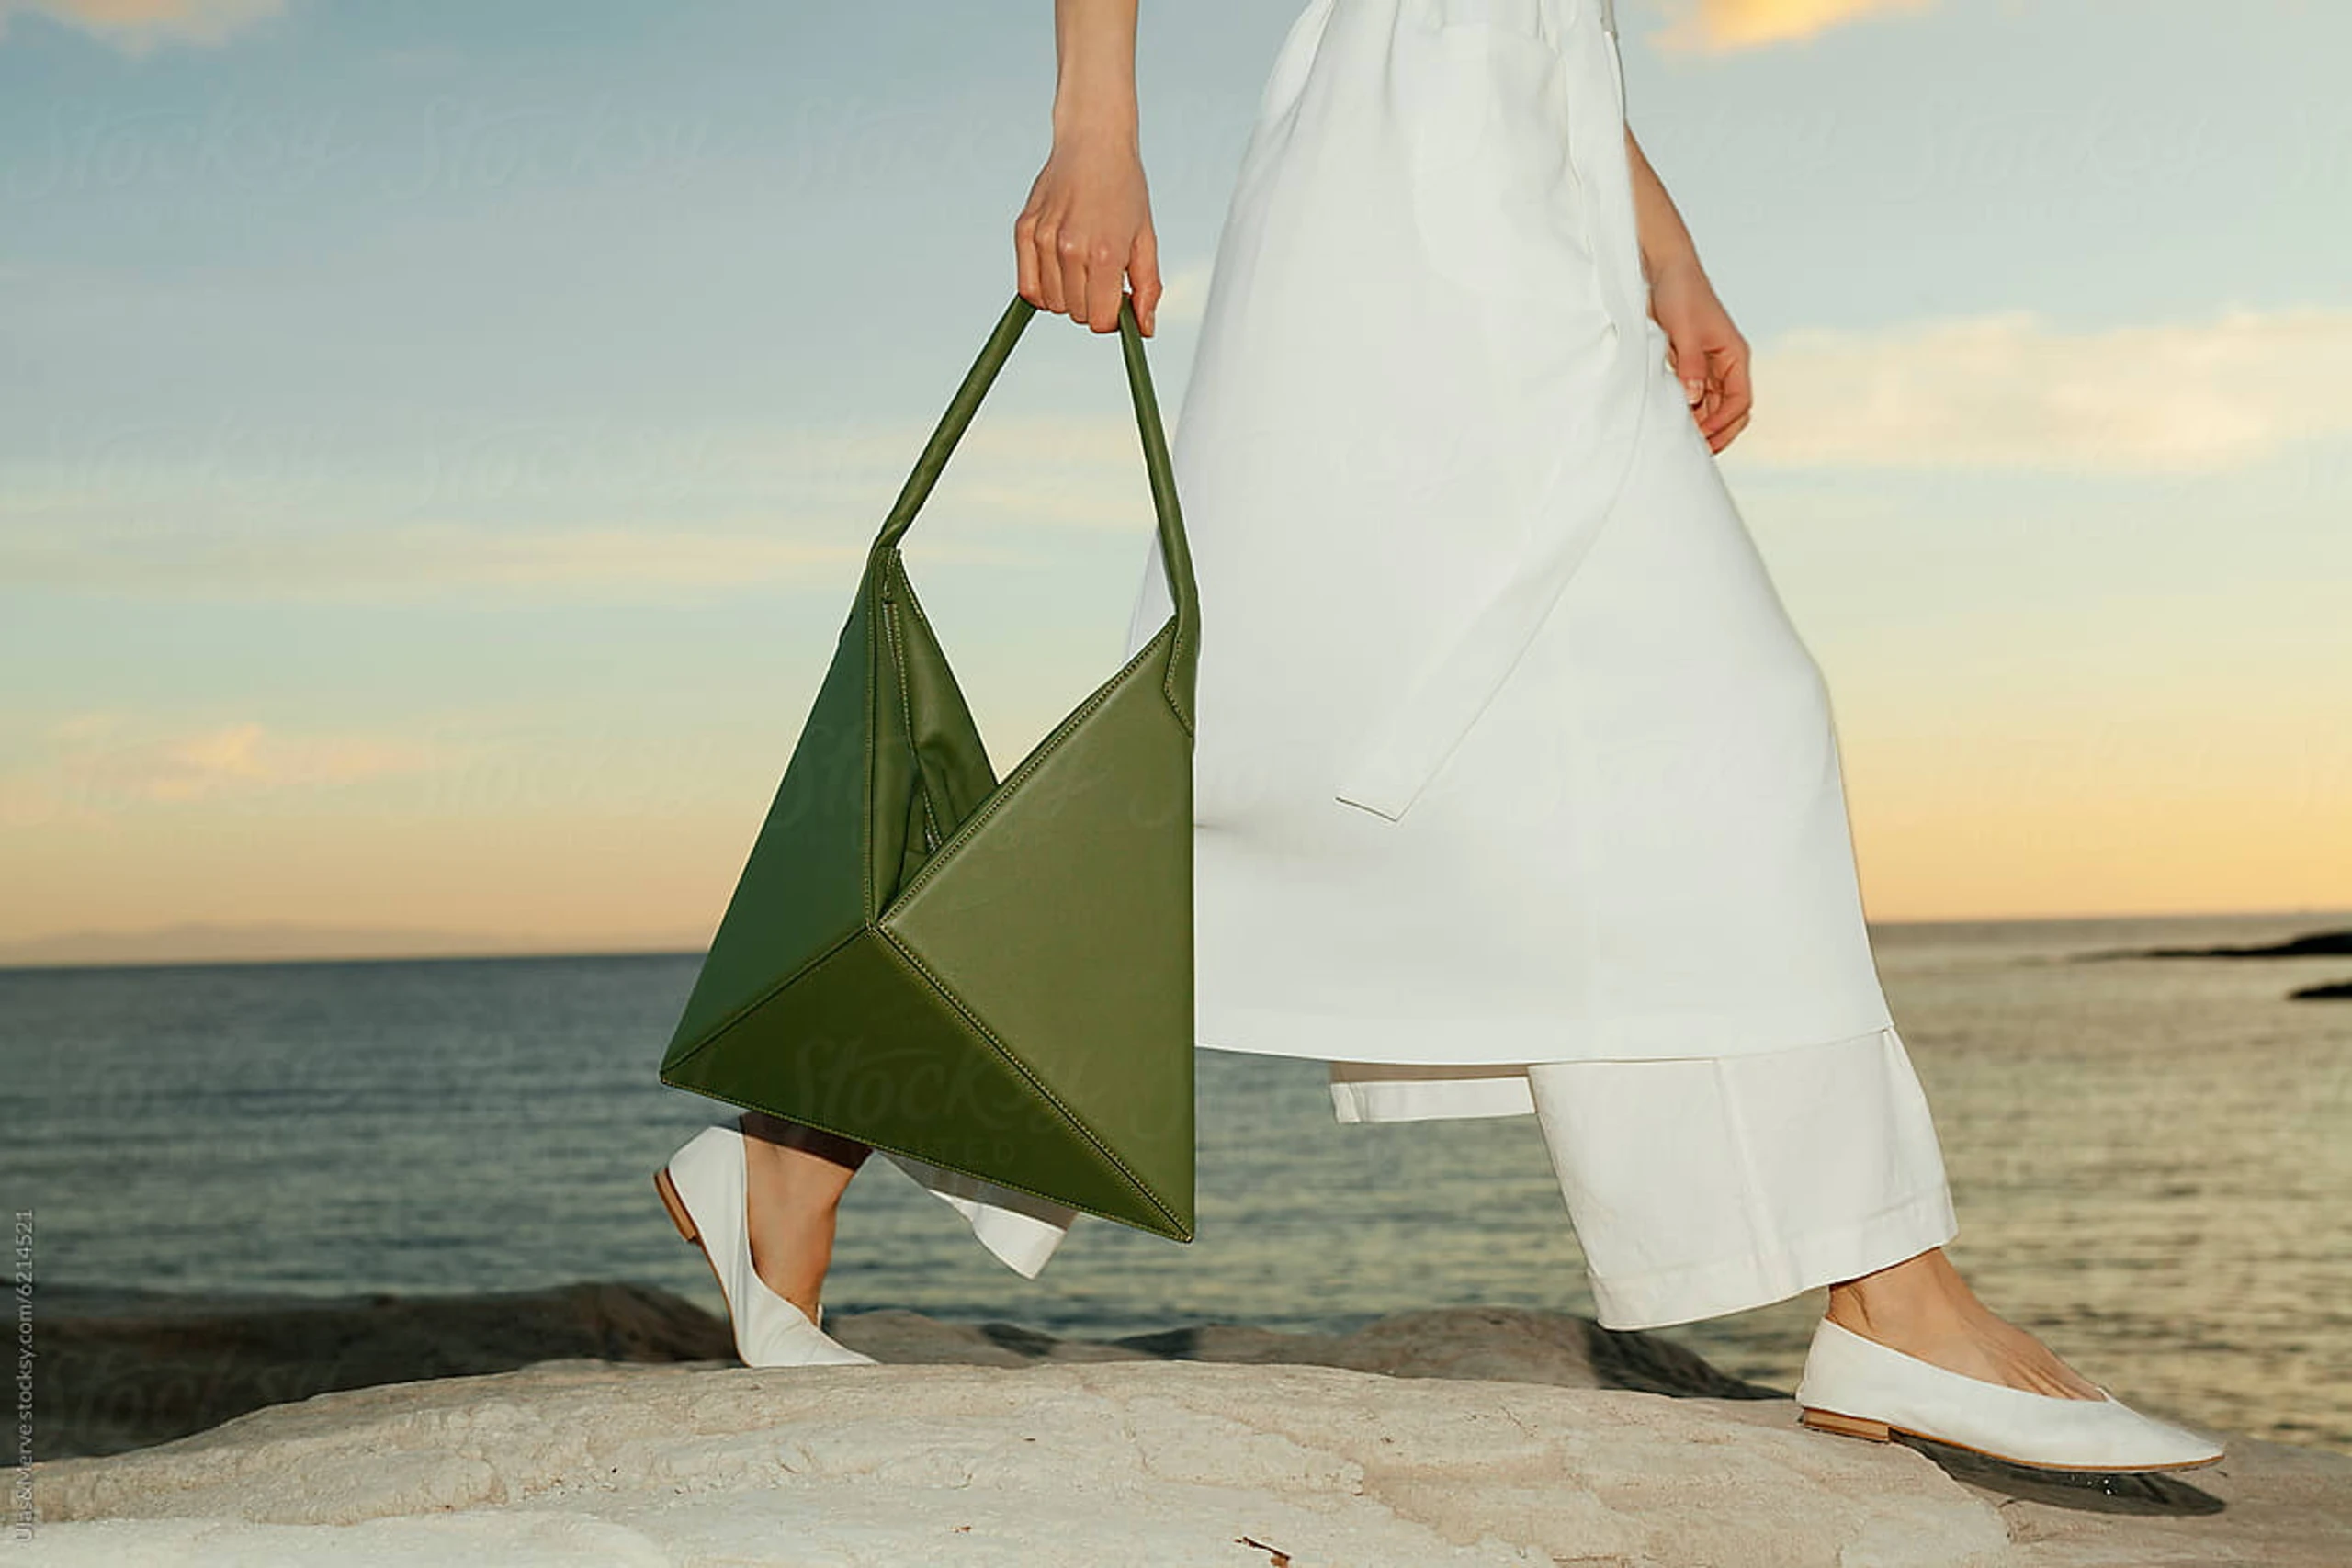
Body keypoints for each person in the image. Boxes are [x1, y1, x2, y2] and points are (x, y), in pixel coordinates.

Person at [657, 0, 2221, 1472]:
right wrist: (1094, 126)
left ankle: (800, 1147)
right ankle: (1893, 1302)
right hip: (1413, 206)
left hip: (1526, 187)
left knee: (1335, 758)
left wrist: (1663, 253)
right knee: (1695, 730)